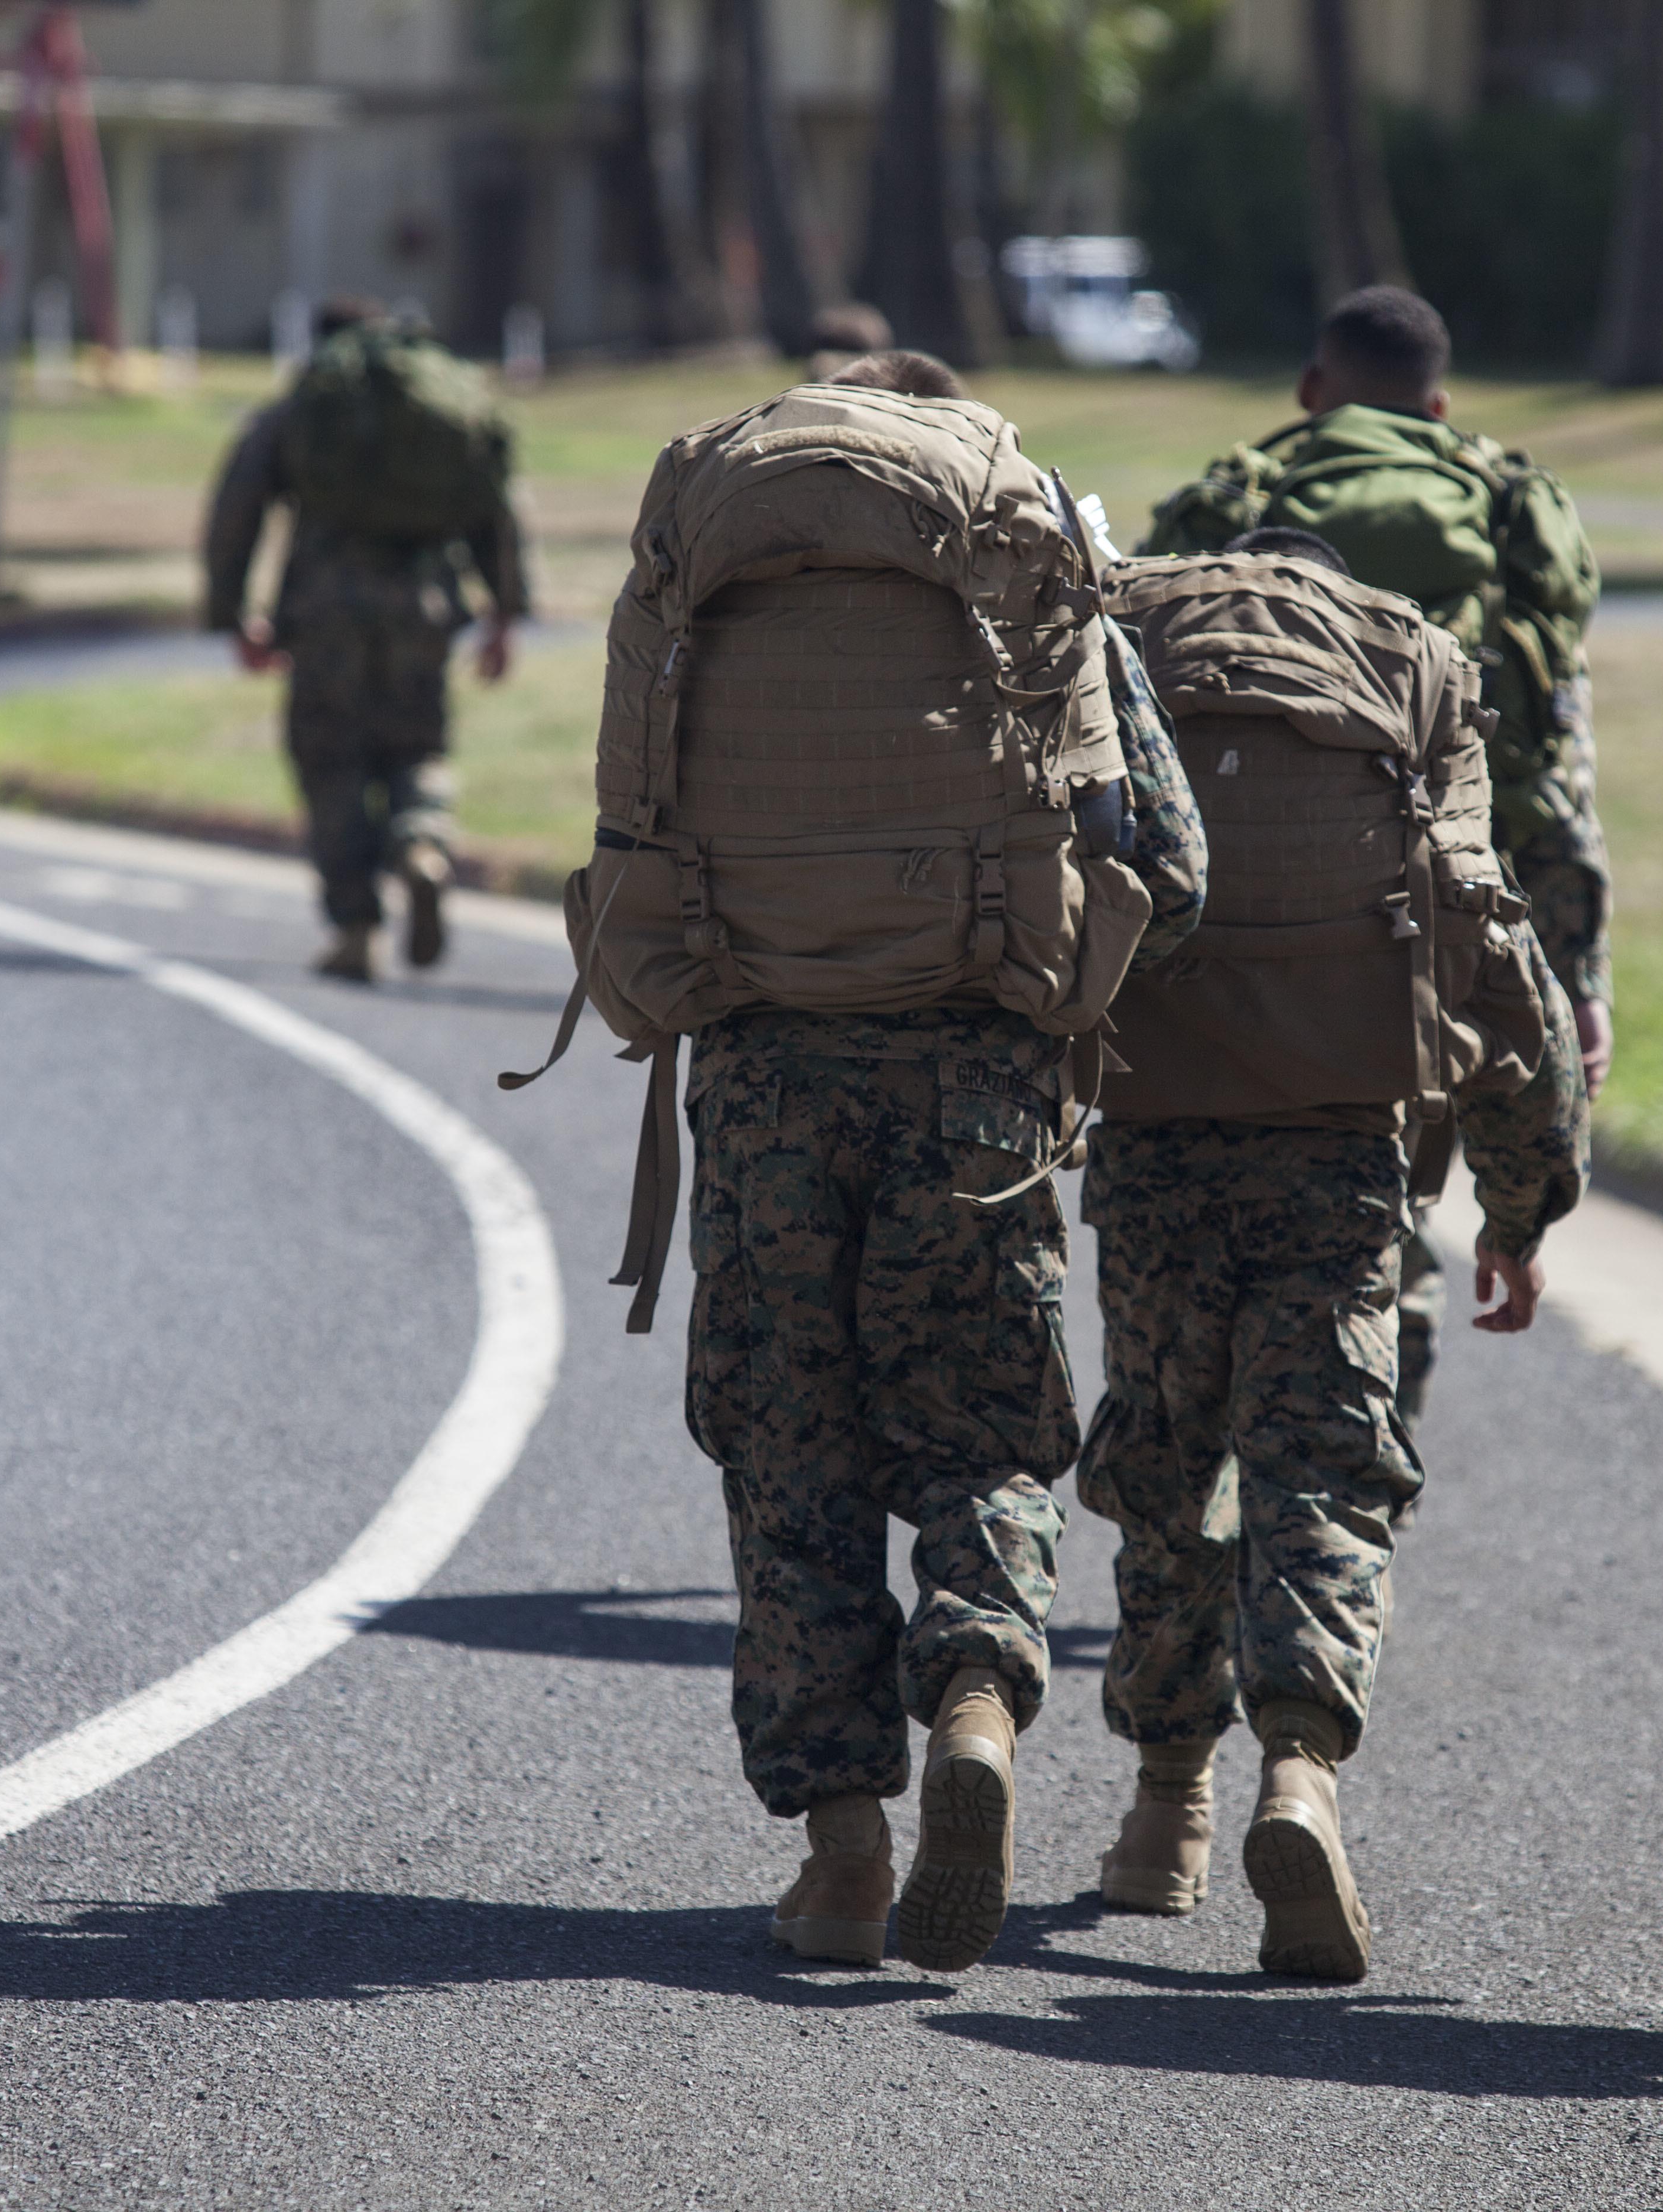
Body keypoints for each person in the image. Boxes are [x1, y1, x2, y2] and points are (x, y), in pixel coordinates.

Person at [527, 350, 1206, 1974]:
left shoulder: (716, 539)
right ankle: (976, 1692)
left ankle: (841, 1859)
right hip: (973, 1068)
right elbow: (1166, 867)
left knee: (790, 1454)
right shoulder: (1015, 540)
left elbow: (634, 822)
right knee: (985, 1431)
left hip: (759, 1079)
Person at [1081, 526, 1589, 1980]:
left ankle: (1160, 1810)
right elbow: (1490, 937)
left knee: (1164, 1460)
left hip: (1156, 1139)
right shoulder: (1412, 667)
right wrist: (1521, 1200)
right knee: (1323, 1463)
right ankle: (1298, 1768)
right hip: (1338, 1153)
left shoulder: (1129, 642)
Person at [1143, 286, 1606, 1419]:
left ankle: (1196, 1526)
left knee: (1185, 1292)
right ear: (1439, 404)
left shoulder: (1231, 497)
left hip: (1217, 956)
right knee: (1377, 1201)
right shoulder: (1507, 505)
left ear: (1312, 389)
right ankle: (1363, 1444)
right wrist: (1577, 981)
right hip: (1431, 927)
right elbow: (1556, 766)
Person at [202, 297, 527, 983]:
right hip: (425, 609)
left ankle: (356, 929)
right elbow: (496, 503)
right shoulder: (440, 397)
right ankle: (424, 842)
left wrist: (231, 614)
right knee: (420, 747)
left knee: (331, 764)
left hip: (324, 615)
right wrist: (505, 613)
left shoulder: (311, 402)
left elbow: (239, 502)